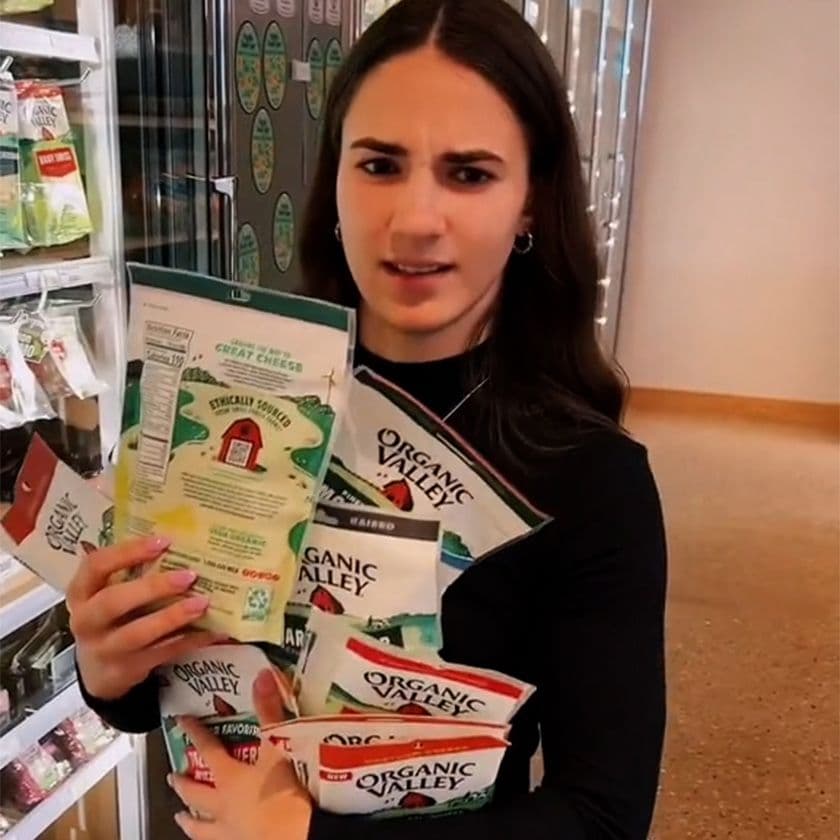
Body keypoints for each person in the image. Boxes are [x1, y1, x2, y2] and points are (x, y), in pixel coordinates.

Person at [67, 1, 667, 838]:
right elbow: (187, 690)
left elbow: (603, 815)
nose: (415, 220)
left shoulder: (592, 478)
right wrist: (112, 671)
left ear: (531, 202)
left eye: (470, 173)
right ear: (336, 180)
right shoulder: (248, 397)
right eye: (380, 164)